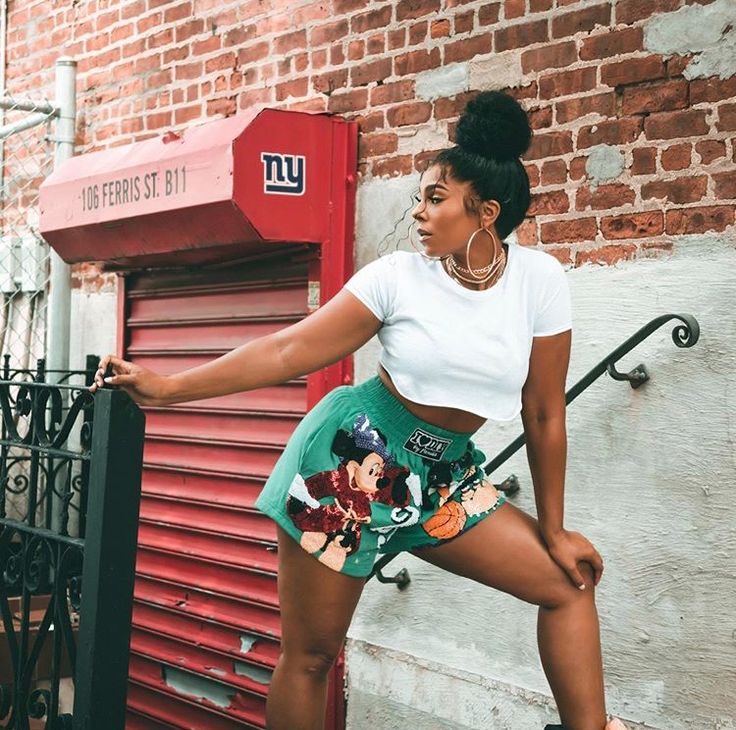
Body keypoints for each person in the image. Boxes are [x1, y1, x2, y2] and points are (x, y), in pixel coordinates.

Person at [90, 91, 629, 730]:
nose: (419, 214)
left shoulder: (540, 282)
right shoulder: (397, 277)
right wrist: (168, 388)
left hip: (447, 476)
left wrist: (556, 529)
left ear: (485, 213)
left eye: (436, 199)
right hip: (353, 465)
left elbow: (544, 414)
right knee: (313, 655)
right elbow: (289, 348)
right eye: (420, 198)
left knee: (567, 586)